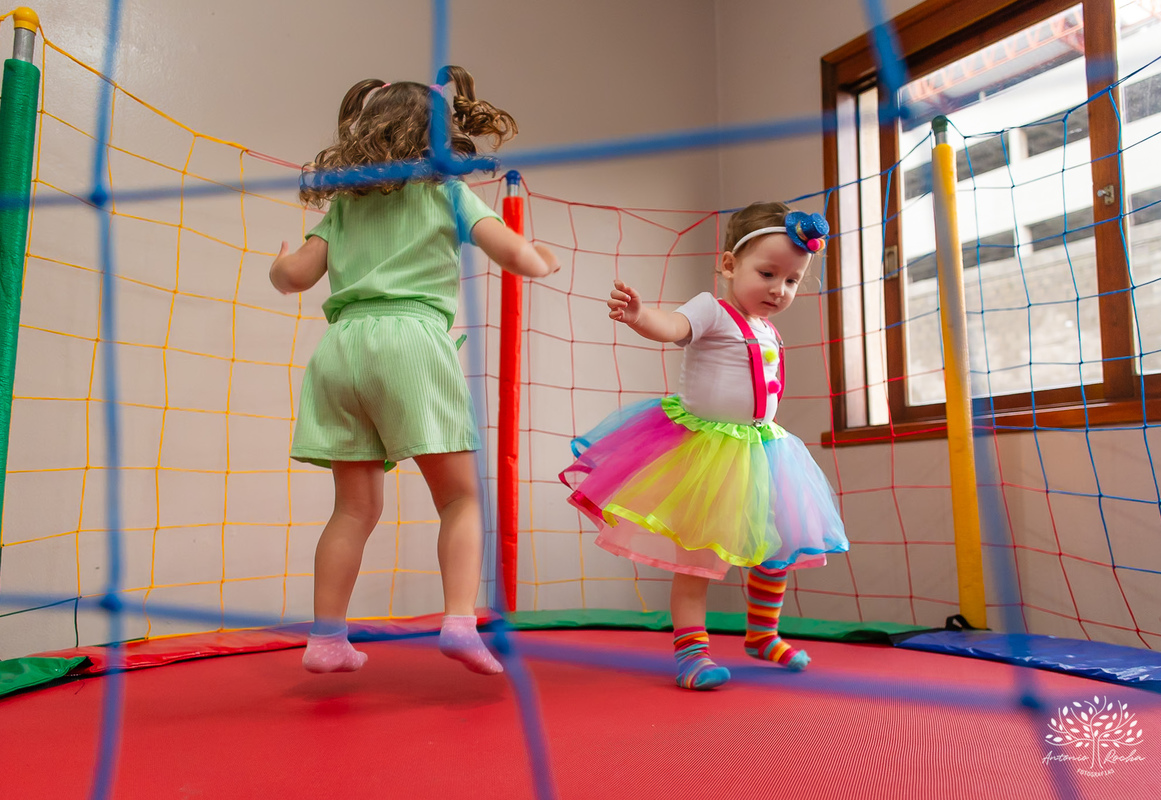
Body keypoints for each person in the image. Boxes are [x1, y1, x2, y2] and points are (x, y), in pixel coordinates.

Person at [270, 67, 558, 675]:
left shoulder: (345, 204)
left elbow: (294, 277)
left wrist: (279, 263)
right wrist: (540, 259)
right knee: (460, 499)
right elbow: (514, 253)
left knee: (353, 509)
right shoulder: (445, 193)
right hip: (411, 343)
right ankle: (458, 623)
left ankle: (326, 638)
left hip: (340, 350)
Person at [560, 202, 848, 690]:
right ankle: (692, 654)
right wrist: (640, 316)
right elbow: (672, 327)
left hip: (762, 453)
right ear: (730, 265)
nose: (779, 289)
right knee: (696, 560)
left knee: (775, 548)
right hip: (706, 454)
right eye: (768, 274)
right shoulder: (712, 310)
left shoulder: (768, 327)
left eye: (792, 280)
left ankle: (763, 634)